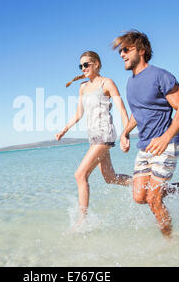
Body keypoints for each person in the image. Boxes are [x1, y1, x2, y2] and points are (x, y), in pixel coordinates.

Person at [113, 30, 179, 239]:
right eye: (120, 50)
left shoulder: (161, 76)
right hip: (145, 146)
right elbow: (137, 113)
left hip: (166, 144)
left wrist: (166, 137)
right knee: (139, 196)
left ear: (141, 50)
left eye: (125, 49)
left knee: (153, 200)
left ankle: (170, 243)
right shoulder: (130, 83)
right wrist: (125, 132)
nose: (121, 54)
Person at [56, 51, 132, 229]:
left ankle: (82, 221)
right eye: (81, 66)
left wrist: (126, 133)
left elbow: (121, 108)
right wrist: (64, 130)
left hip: (104, 134)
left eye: (86, 64)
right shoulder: (82, 87)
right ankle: (147, 184)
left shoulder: (107, 83)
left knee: (80, 175)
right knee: (110, 178)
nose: (83, 68)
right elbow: (79, 114)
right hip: (93, 137)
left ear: (96, 64)